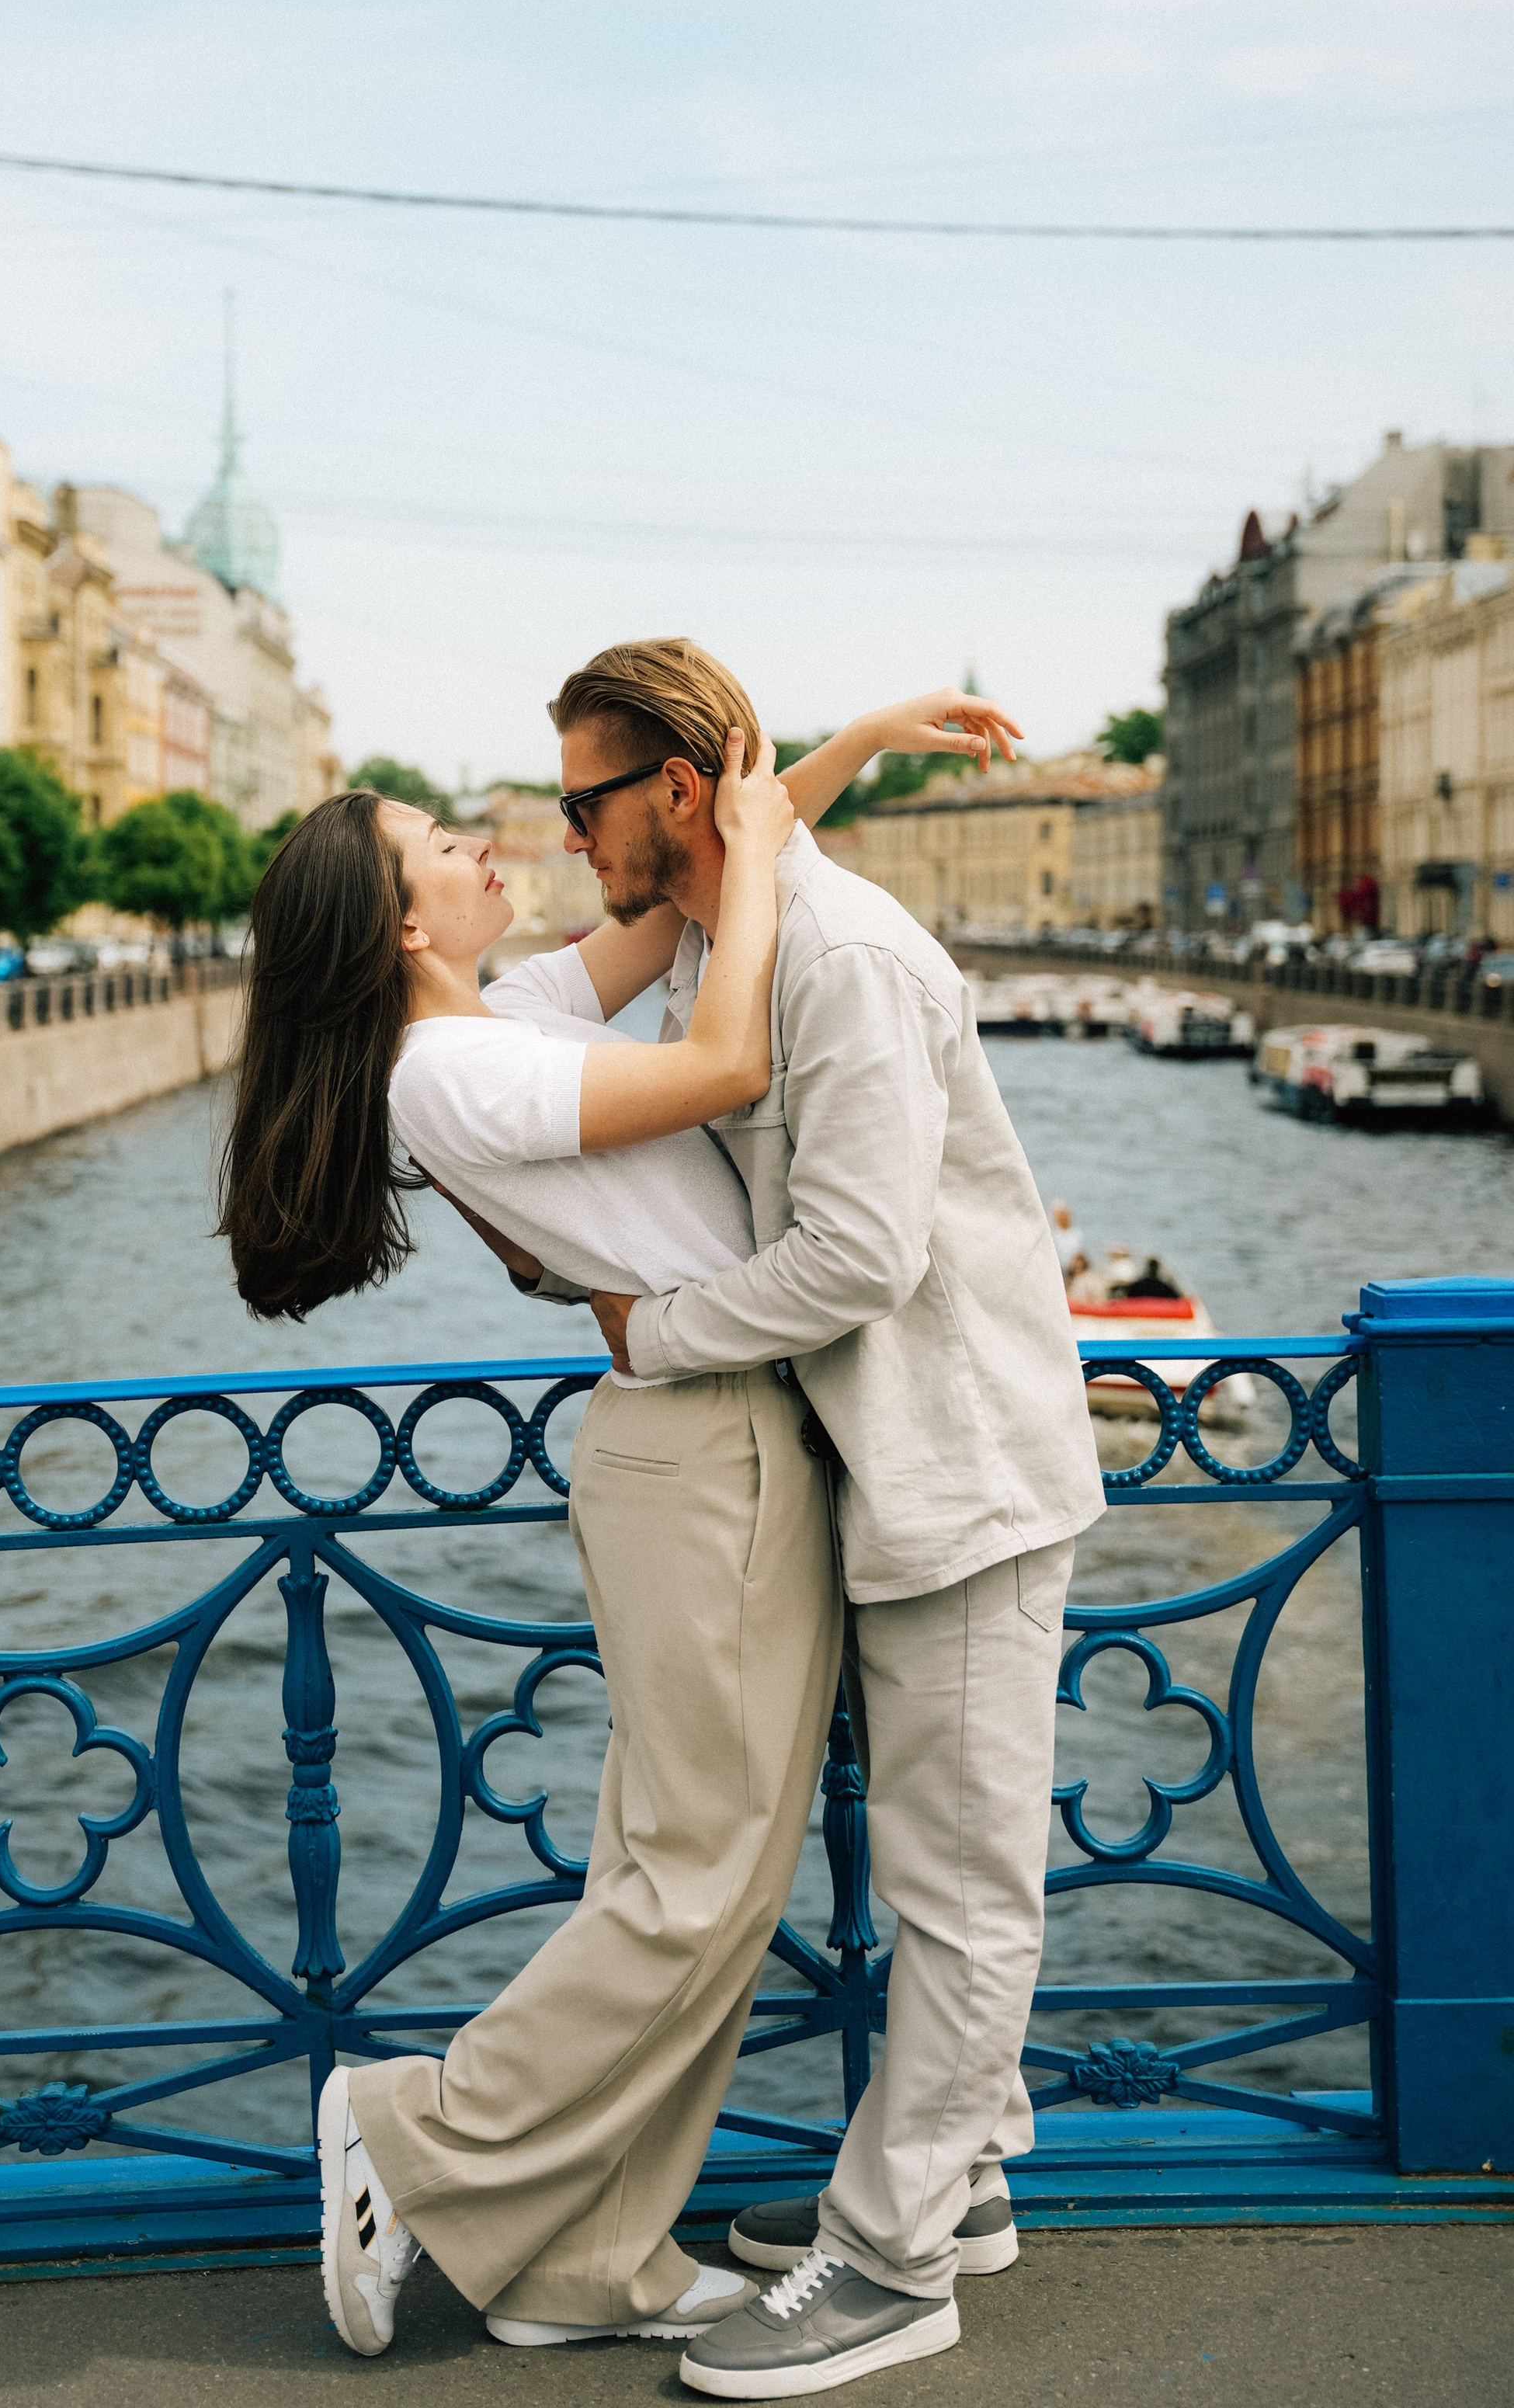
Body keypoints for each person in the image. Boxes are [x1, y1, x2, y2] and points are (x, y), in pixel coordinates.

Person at [217, 680, 1018, 2361]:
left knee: (690, 1873)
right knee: (693, 1886)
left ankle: (588, 2259)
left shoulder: (501, 1012)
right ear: (393, 919)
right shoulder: (448, 1074)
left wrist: (839, 753)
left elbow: (688, 888)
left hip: (717, 1436)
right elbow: (725, 1044)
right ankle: (413, 2129)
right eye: (440, 842)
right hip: (698, 1438)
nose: (493, 836)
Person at [544, 641, 1105, 2400]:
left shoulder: (839, 961)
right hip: (889, 1469)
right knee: (934, 1863)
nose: (570, 832)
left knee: (954, 1886)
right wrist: (852, 737)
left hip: (959, 1467)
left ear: (680, 793)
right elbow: (774, 802)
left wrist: (652, 1340)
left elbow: (857, 1255)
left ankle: (889, 2264)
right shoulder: (745, 932)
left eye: (587, 798)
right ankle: (961, 2183)